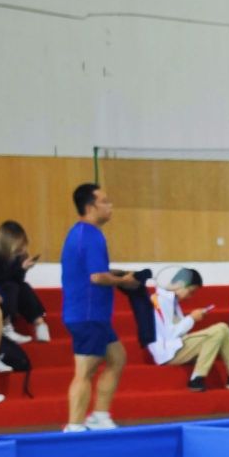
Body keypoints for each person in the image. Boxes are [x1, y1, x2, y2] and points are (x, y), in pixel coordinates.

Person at [61, 183, 149, 432]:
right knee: (85, 371)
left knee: (117, 358)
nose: (110, 206)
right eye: (105, 201)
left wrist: (119, 274)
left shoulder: (82, 233)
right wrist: (125, 281)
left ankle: (99, 416)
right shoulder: (90, 235)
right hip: (87, 315)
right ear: (91, 207)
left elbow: (96, 271)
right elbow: (97, 277)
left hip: (94, 315)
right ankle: (74, 426)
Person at [150, 269, 229, 392]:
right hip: (168, 353)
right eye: (191, 292)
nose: (190, 297)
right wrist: (191, 318)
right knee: (220, 329)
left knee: (223, 330)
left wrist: (191, 319)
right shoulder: (158, 301)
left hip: (176, 348)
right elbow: (169, 335)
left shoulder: (170, 301)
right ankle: (197, 378)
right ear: (180, 284)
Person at [0, 222, 47, 342]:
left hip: (3, 291)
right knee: (11, 286)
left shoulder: (13, 256)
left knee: (22, 286)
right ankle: (6, 326)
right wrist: (20, 269)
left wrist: (22, 269)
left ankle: (39, 322)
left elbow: (15, 279)